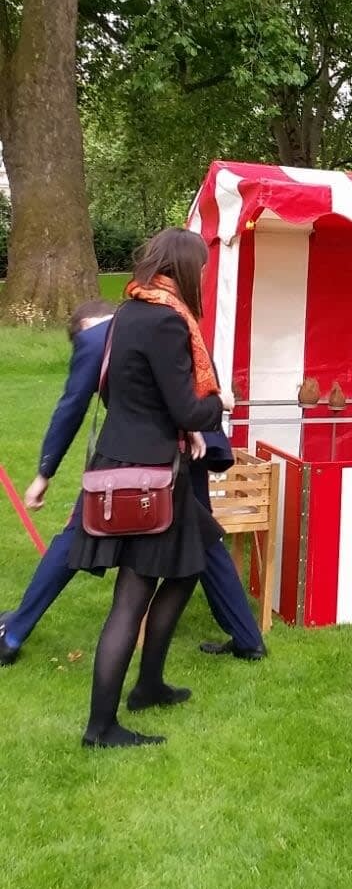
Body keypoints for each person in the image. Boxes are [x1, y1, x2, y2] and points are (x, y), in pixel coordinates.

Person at [0, 303, 266, 667]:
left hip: (148, 455)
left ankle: (13, 634)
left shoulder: (97, 339)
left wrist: (45, 473)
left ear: (88, 326)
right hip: (196, 444)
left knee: (78, 534)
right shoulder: (173, 323)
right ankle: (248, 640)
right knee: (204, 540)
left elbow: (72, 407)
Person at [67, 228, 227, 749]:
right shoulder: (167, 319)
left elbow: (119, 390)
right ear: (185, 268)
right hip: (150, 473)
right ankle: (101, 727)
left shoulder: (132, 310)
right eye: (201, 267)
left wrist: (181, 425)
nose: (203, 276)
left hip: (130, 459)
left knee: (196, 553)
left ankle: (150, 683)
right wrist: (218, 405)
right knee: (132, 596)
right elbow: (188, 407)